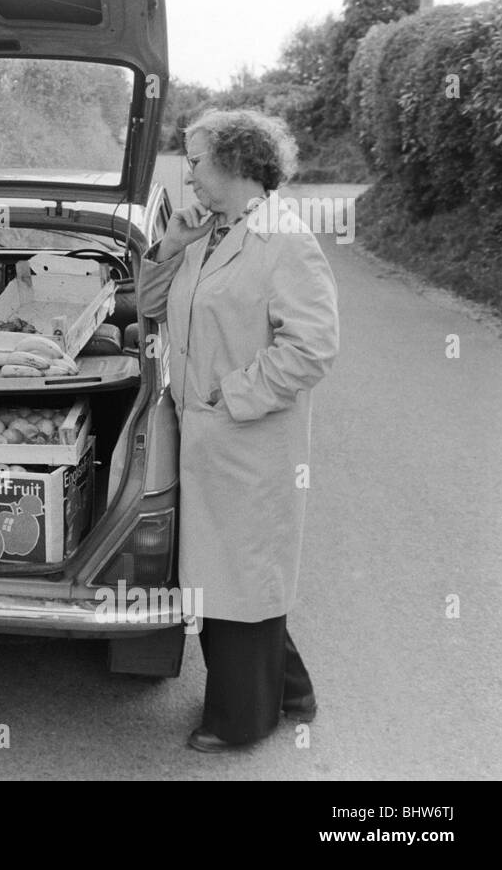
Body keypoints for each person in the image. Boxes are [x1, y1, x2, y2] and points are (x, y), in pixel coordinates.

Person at [136, 109, 340, 752]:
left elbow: (312, 347)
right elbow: (146, 307)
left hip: (249, 437)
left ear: (235, 161)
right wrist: (169, 246)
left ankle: (242, 720)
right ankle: (293, 691)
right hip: (201, 432)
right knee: (225, 573)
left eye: (194, 160)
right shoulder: (206, 230)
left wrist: (235, 392)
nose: (187, 172)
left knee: (241, 578)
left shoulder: (285, 239)